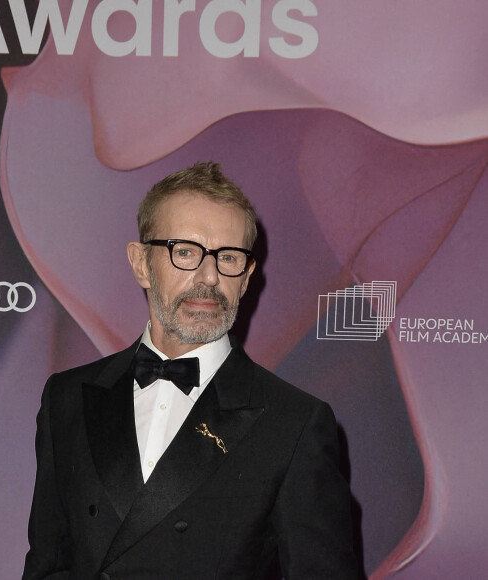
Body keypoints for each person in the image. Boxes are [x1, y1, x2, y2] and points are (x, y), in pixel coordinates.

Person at [22, 162, 358, 579]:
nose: (209, 277)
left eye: (229, 257)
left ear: (247, 276)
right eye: (185, 252)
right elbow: (47, 566)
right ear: (141, 263)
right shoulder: (66, 398)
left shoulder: (294, 425)